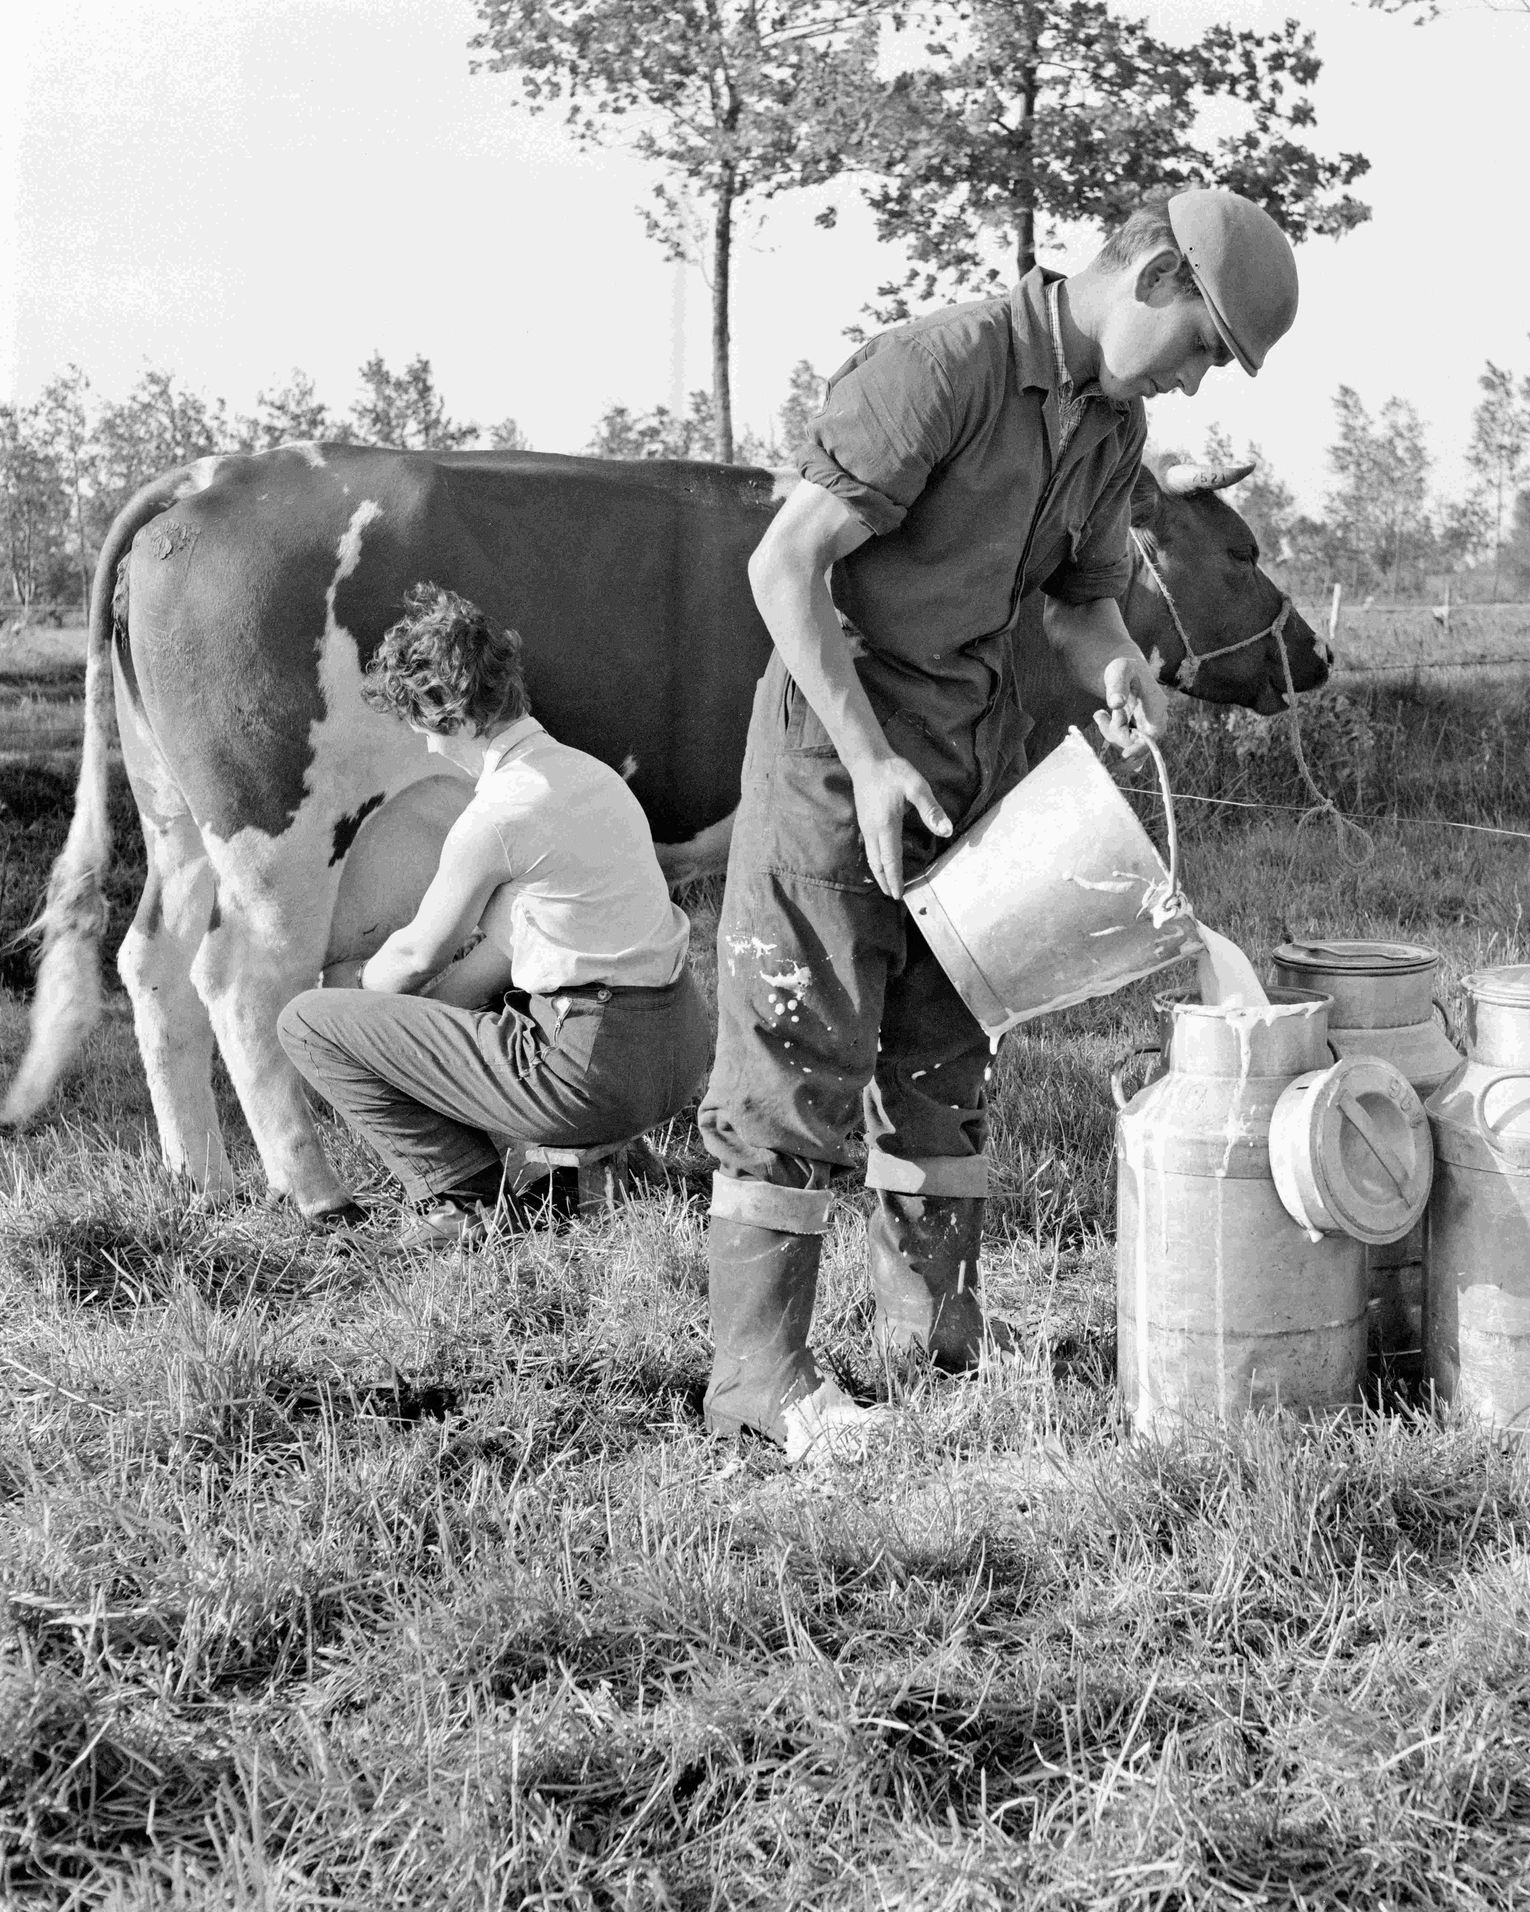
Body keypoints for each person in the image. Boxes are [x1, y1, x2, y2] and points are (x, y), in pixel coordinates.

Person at [697, 187, 1301, 1460]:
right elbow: (784, 565)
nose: (1197, 383)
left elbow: (1080, 610)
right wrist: (864, 762)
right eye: (1203, 347)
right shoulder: (943, 367)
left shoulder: (1111, 432)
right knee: (803, 1056)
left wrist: (1117, 669)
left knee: (942, 1056)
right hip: (836, 764)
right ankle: (759, 1374)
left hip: (973, 777)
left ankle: (937, 1347)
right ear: (1153, 282)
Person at [279, 585, 707, 1251]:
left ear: (441, 713)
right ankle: (555, 1174)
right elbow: (490, 964)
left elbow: (416, 958)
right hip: (675, 1053)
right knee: (485, 1007)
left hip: (591, 1074)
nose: (420, 744)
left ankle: (460, 1199)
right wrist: (421, 1036)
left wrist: (352, 1002)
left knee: (305, 1022)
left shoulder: (498, 814)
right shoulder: (590, 776)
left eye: (415, 722)